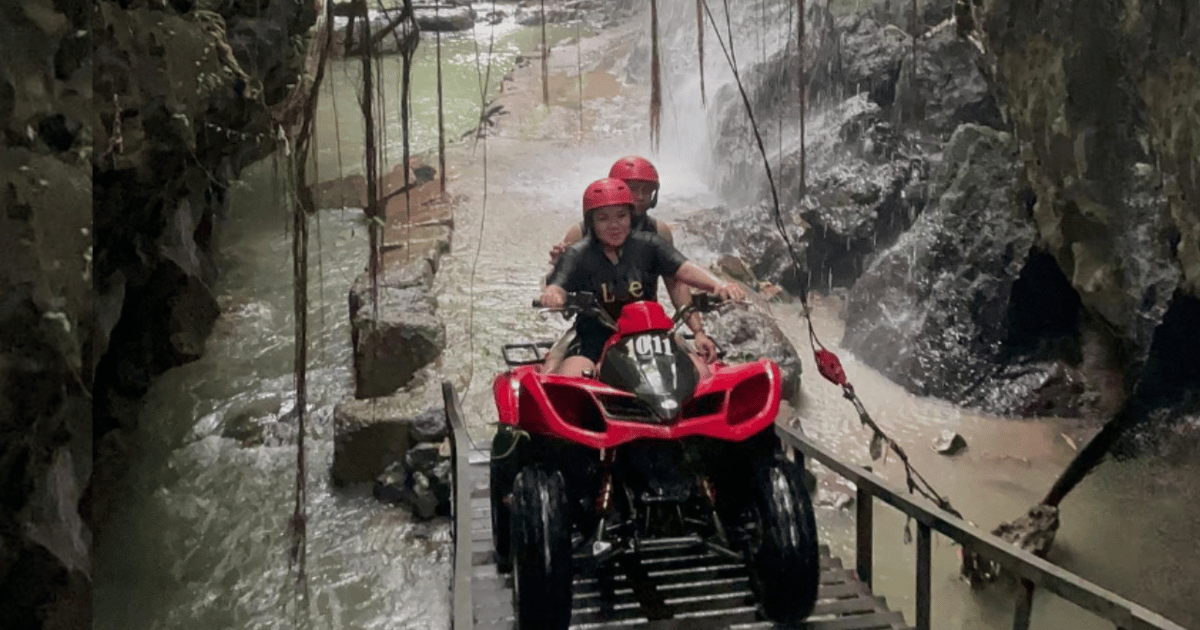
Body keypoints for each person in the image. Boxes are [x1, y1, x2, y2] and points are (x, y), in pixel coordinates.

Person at [540, 177, 745, 378]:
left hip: (652, 333)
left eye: (621, 216)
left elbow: (683, 268)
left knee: (701, 373)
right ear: (591, 222)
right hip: (595, 338)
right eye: (603, 218)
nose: (614, 225)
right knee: (570, 377)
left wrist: (719, 284)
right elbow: (557, 284)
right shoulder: (577, 253)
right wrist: (553, 295)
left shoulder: (651, 244)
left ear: (631, 216)